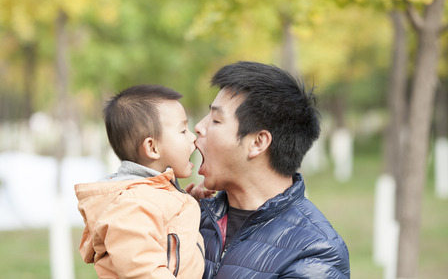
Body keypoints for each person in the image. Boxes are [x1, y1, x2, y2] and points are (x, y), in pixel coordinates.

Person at [192, 61, 350, 278]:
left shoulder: (316, 253)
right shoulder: (192, 216)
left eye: (216, 120)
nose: (199, 127)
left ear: (258, 142)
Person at [75, 85, 204, 279]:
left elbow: (169, 238)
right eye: (183, 131)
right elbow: (142, 271)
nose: (193, 137)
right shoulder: (131, 206)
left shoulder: (149, 196)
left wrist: (186, 203)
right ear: (152, 148)